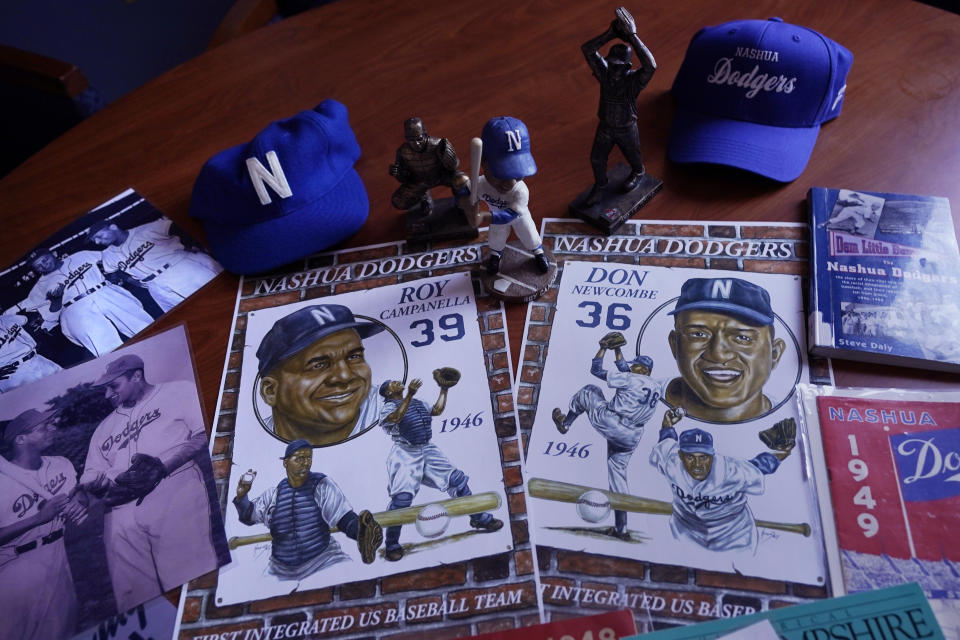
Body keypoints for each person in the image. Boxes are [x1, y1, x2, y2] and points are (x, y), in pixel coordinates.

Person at [77, 354, 221, 611]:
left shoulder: (177, 391)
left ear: (136, 376)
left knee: (189, 576)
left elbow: (203, 432)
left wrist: (163, 467)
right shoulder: (104, 428)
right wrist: (95, 484)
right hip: (119, 510)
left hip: (172, 489)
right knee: (135, 597)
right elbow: (92, 472)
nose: (108, 394)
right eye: (106, 388)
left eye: (114, 386)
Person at [551, 332, 663, 540]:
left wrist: (603, 348)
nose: (630, 367)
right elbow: (625, 370)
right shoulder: (655, 385)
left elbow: (596, 370)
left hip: (613, 422)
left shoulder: (630, 377)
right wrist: (618, 350)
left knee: (589, 391)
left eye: (634, 365)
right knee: (619, 479)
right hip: (633, 436)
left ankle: (566, 424)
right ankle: (621, 529)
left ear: (640, 368)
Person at [379, 375, 502, 561]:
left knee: (457, 480)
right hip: (405, 453)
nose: (397, 382)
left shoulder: (417, 401)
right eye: (392, 383)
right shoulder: (388, 406)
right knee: (402, 499)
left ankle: (478, 517)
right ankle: (392, 544)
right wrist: (410, 394)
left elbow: (436, 410)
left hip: (427, 449)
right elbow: (396, 417)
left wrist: (444, 390)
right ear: (388, 392)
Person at [232, 439, 382, 579]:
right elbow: (248, 516)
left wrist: (362, 532)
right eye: (299, 458)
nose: (305, 463)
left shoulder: (321, 485)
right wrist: (242, 496)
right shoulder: (273, 495)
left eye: (308, 458)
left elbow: (343, 517)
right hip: (280, 568)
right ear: (285, 463)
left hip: (323, 560)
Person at [649, 409, 792, 551]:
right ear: (680, 455)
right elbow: (666, 442)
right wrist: (667, 424)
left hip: (734, 538)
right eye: (690, 457)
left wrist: (784, 452)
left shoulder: (731, 470)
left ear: (713, 456)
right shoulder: (671, 462)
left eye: (703, 457)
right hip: (685, 535)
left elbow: (763, 465)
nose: (697, 464)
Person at [0, 408, 87, 640]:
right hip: (15, 566)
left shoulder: (61, 464)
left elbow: (79, 495)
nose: (53, 428)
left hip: (58, 556)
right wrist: (38, 519)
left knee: (62, 630)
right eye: (43, 427)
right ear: (21, 439)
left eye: (51, 423)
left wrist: (79, 500)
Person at [257, 304, 386, 446]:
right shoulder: (256, 444)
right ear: (270, 391)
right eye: (318, 365)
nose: (344, 376)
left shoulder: (392, 409)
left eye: (353, 357)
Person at [665, 277, 786, 423]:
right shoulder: (634, 397)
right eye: (698, 334)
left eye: (742, 338)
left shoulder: (786, 418)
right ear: (674, 345)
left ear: (774, 354)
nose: (718, 354)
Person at [12, 248, 153, 357]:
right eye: (38, 266)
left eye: (44, 259)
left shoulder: (80, 256)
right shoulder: (38, 288)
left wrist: (126, 277)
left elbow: (110, 257)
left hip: (104, 290)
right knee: (107, 347)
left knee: (142, 325)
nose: (43, 265)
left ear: (52, 253)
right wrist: (56, 301)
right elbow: (51, 316)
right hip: (75, 309)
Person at [581, 8, 657, 206]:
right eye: (611, 65)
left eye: (619, 66)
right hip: (605, 126)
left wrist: (632, 36)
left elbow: (651, 66)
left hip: (626, 127)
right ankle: (601, 186)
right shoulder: (604, 75)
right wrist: (610, 34)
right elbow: (587, 49)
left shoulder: (634, 81)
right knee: (596, 159)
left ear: (627, 66)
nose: (614, 70)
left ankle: (638, 172)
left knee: (634, 156)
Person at [462, 116, 549, 275]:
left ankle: (538, 253)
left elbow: (509, 215)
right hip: (495, 217)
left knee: (529, 236)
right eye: (502, 173)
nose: (510, 183)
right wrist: (465, 201)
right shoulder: (481, 183)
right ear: (483, 163)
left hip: (518, 217)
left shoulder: (520, 191)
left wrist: (483, 217)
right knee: (496, 237)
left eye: (517, 173)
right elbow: (463, 192)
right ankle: (496, 255)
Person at [88, 219, 222, 313]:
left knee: (218, 301)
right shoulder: (108, 255)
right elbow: (114, 272)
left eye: (99, 236)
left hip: (181, 269)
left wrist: (192, 245)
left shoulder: (146, 230)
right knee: (191, 315)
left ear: (113, 227)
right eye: (95, 241)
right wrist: (132, 281)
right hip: (156, 287)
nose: (98, 242)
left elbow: (179, 227)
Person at [388, 117, 468, 216]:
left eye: (419, 139)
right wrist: (398, 173)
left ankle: (461, 203)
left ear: (425, 134)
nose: (416, 143)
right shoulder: (403, 152)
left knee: (462, 180)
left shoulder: (437, 144)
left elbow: (454, 166)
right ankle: (424, 198)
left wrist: (447, 155)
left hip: (441, 176)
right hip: (419, 181)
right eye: (411, 140)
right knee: (398, 201)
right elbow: (405, 178)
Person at [0, 308, 61, 393]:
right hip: (14, 374)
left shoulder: (5, 319)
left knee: (72, 388)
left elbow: (26, 319)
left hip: (37, 360)